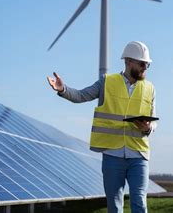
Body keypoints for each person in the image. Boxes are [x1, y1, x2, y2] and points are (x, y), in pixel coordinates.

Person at [47, 41, 157, 213]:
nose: (145, 67)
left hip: (139, 154)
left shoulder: (150, 88)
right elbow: (81, 95)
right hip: (112, 155)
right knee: (114, 205)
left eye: (147, 64)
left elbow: (153, 121)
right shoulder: (107, 82)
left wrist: (148, 128)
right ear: (128, 61)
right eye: (142, 63)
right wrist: (63, 89)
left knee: (140, 202)